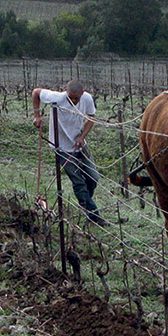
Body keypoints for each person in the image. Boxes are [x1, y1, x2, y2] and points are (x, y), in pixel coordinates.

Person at [32, 80, 110, 226]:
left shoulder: (87, 98)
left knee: (93, 177)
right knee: (78, 181)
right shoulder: (57, 97)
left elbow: (91, 117)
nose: (74, 101)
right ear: (66, 93)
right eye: (71, 98)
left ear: (82, 93)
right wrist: (37, 116)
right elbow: (36, 92)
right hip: (61, 147)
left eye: (76, 98)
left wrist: (82, 137)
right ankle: (93, 216)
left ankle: (85, 201)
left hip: (79, 143)